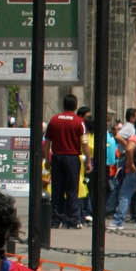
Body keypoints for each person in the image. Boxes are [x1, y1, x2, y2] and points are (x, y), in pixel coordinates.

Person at [47, 94, 86, 228]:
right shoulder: (79, 122)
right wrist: (88, 160)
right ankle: (73, 219)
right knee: (72, 189)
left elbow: (47, 142)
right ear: (75, 106)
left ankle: (56, 219)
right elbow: (84, 142)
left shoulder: (54, 120)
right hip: (72, 158)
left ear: (63, 105)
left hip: (57, 157)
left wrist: (47, 158)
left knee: (57, 189)